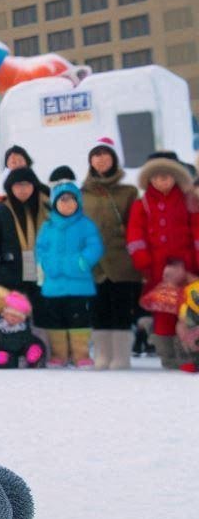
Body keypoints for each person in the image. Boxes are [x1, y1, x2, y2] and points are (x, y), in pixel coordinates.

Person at [127, 152, 199, 369]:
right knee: (164, 312)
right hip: (158, 270)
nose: (161, 181)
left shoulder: (189, 200)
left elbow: (197, 231)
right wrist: (143, 261)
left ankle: (188, 355)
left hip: (187, 268)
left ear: (176, 177)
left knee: (189, 312)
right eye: (156, 177)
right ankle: (168, 356)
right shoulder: (142, 204)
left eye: (166, 176)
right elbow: (135, 235)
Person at [80, 137, 141, 370]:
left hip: (121, 261)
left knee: (121, 311)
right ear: (90, 161)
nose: (100, 158)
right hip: (93, 264)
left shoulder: (128, 191)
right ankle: (103, 354)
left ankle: (122, 356)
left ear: (114, 158)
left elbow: (135, 225)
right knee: (98, 310)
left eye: (105, 154)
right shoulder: (82, 192)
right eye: (96, 154)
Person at [34, 181, 105, 368]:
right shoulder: (48, 226)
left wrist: (82, 262)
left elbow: (95, 247)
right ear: (55, 203)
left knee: (79, 321)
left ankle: (80, 355)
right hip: (53, 283)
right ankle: (59, 355)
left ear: (78, 202)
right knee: (55, 321)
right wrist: (47, 263)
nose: (67, 204)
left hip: (79, 284)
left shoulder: (86, 224)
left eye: (71, 200)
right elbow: (40, 249)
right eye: (62, 200)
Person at [0, 167, 49, 307]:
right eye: (18, 185)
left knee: (39, 319)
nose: (23, 189)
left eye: (27, 184)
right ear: (10, 187)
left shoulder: (42, 208)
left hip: (40, 273)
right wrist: (0, 263)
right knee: (13, 319)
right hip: (9, 276)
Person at [0, 287, 46, 369]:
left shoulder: (23, 329)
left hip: (14, 366)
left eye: (18, 316)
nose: (13, 318)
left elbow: (30, 341)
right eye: (11, 314)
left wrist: (34, 349)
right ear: (3, 313)